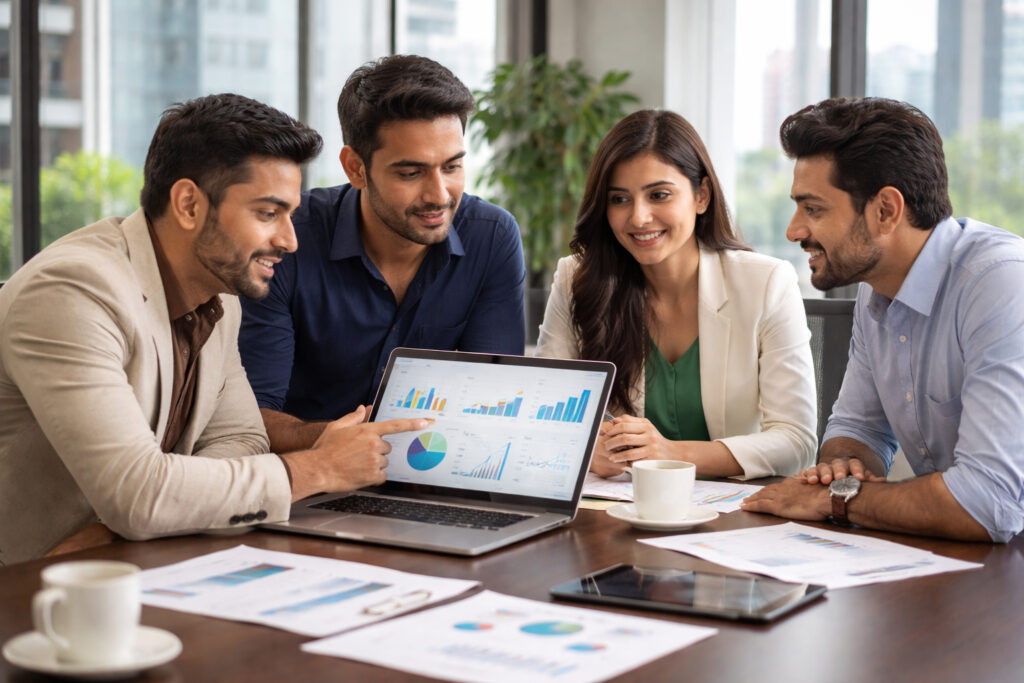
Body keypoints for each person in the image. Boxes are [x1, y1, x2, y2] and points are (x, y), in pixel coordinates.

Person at [0, 94, 432, 566]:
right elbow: (139, 497)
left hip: (129, 565)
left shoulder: (219, 296)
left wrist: (156, 508)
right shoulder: (73, 291)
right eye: (268, 214)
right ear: (188, 204)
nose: (290, 240)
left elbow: (244, 439)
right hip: (27, 587)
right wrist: (320, 467)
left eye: (290, 214)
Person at [741, 97, 1024, 543]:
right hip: (971, 560)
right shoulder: (877, 292)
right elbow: (857, 431)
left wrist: (836, 501)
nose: (794, 231)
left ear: (886, 210)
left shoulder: (1002, 283)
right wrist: (843, 469)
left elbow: (988, 502)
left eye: (813, 209)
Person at [238, 55, 526, 454]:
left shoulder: (490, 237)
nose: (439, 195)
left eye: (452, 167)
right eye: (411, 173)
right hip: (305, 483)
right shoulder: (288, 240)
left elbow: (496, 401)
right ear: (355, 168)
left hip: (431, 476)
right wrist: (346, 443)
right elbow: (250, 417)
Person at [535, 109, 816, 480]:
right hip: (617, 510)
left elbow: (796, 442)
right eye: (619, 199)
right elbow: (543, 416)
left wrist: (669, 454)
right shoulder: (577, 277)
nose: (638, 217)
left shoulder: (767, 283)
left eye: (659, 195)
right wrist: (586, 451)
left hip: (732, 518)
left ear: (701, 196)